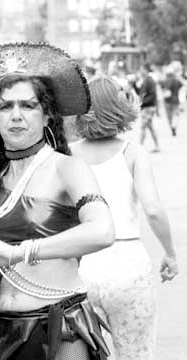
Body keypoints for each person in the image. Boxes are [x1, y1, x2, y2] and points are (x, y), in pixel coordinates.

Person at [0, 43, 115, 360]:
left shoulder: (68, 168)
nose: (16, 116)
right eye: (5, 107)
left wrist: (21, 252)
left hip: (63, 329)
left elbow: (103, 230)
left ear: (47, 114)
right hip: (3, 334)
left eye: (28, 106)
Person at [72, 75, 179, 360]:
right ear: (118, 107)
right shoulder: (132, 153)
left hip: (82, 267)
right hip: (128, 265)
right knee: (135, 354)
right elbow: (153, 209)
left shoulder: (68, 156)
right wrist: (170, 253)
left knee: (83, 353)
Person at [133, 64, 160, 152]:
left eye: (142, 69)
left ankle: (140, 147)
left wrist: (142, 102)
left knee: (143, 127)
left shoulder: (150, 80)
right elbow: (140, 92)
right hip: (147, 107)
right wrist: (134, 84)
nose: (140, 71)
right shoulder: (145, 80)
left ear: (146, 70)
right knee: (150, 127)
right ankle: (157, 146)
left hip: (148, 107)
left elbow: (153, 95)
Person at [159, 67, 183, 136]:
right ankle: (174, 126)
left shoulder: (165, 80)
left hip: (167, 101)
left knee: (169, 116)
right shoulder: (176, 80)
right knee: (175, 114)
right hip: (175, 100)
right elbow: (181, 85)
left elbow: (160, 85)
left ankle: (171, 127)